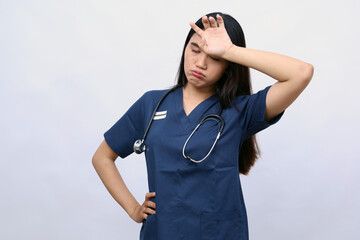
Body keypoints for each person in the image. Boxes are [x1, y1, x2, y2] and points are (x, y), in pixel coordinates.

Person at [92, 12, 314, 240]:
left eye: (214, 58)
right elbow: (102, 158)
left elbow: (301, 73)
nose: (200, 63)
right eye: (195, 49)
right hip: (161, 232)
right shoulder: (151, 104)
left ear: (229, 66)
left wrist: (230, 50)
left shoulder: (241, 111)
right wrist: (133, 209)